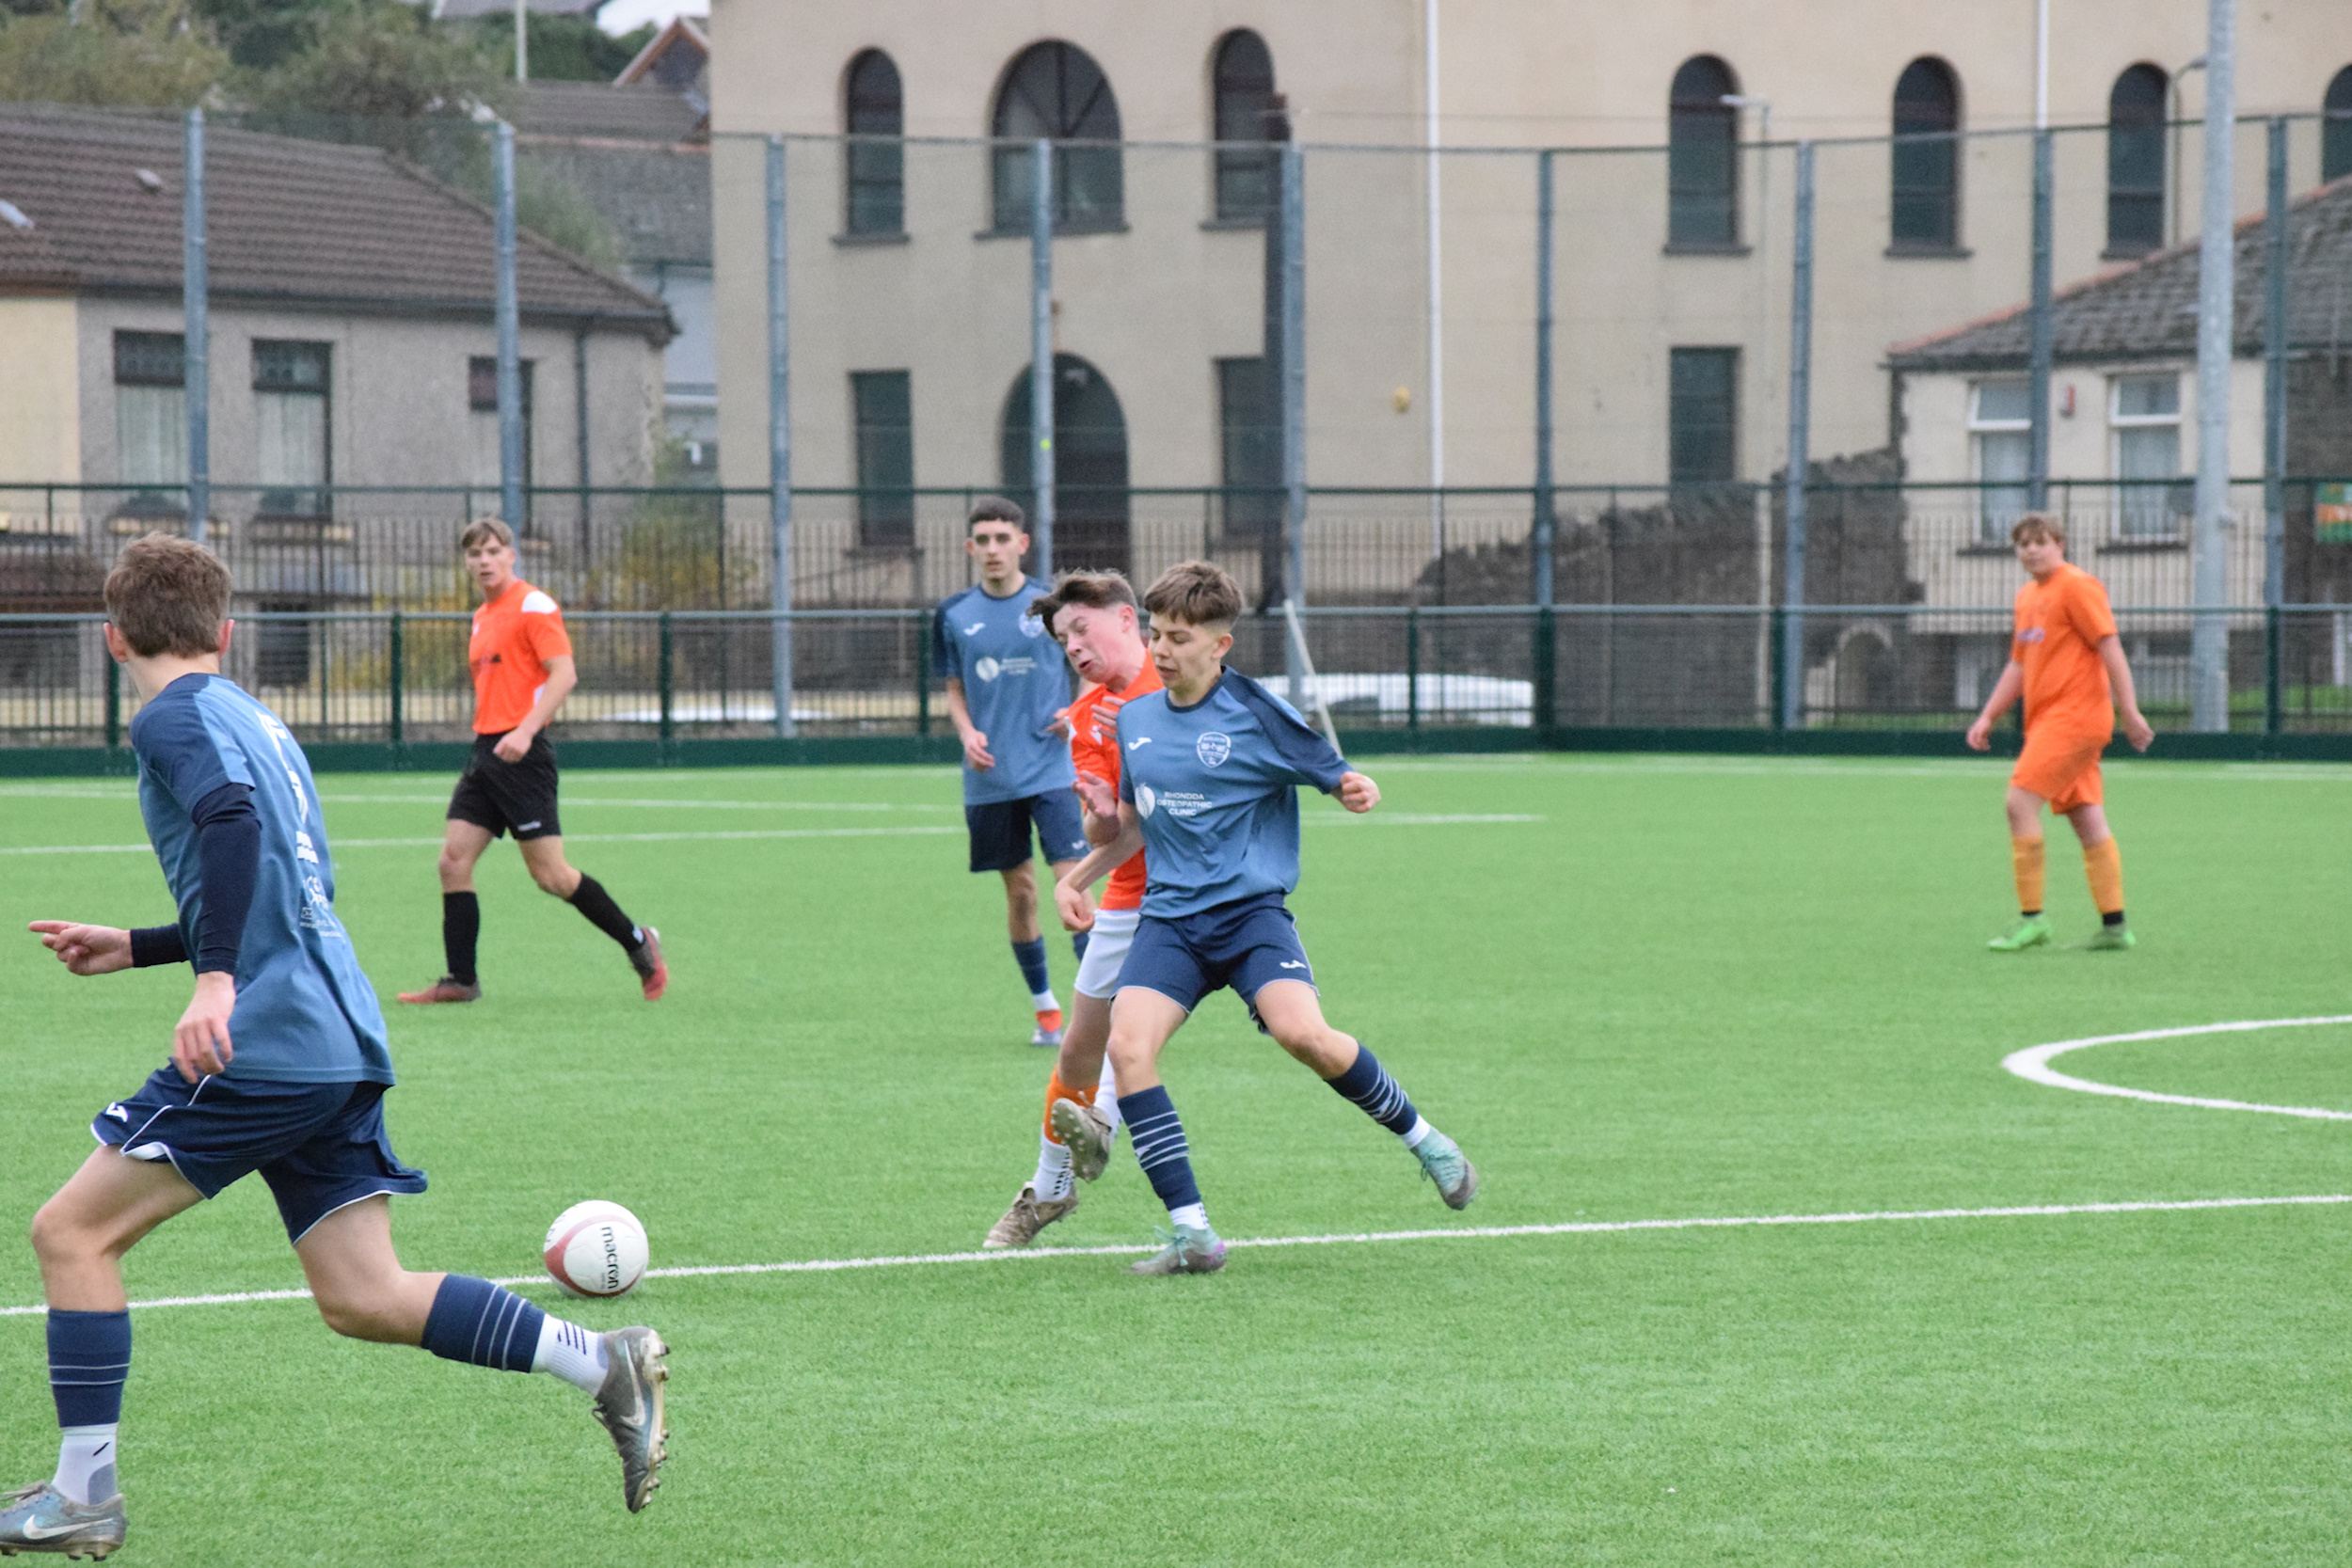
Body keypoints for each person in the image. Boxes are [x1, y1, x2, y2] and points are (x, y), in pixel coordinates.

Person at [8, 537, 668, 1560]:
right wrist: (142, 945)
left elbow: (227, 823)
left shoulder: (170, 716)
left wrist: (215, 978)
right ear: (225, 633)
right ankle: (601, 1361)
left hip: (266, 1042)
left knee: (71, 1235)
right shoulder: (259, 720)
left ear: (111, 639)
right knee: (363, 1295)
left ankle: (84, 1491)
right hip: (340, 1034)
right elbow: (298, 890)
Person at [1053, 561, 1478, 1276]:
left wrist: (1352, 786)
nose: (1160, 649)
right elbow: (1134, 823)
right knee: (1128, 1051)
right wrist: (1082, 872)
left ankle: (1426, 1138)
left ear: (1219, 645)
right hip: (1171, 921)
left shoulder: (1256, 712)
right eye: (1156, 633)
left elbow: (1330, 768)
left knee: (1303, 1034)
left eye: (1178, 637)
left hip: (1250, 915)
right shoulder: (1136, 719)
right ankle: (1194, 1236)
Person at [397, 517, 665, 1006]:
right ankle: (461, 981)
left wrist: (525, 730)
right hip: (487, 751)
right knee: (453, 861)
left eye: (492, 551)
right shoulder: (481, 616)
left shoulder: (534, 605)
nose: (483, 561)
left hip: (523, 753)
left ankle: (638, 942)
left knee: (552, 877)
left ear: (511, 555)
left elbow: (564, 675)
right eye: (474, 554)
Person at [983, 571, 1160, 1249]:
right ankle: (1051, 1186)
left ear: (1125, 619)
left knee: (1131, 1035)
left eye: (1081, 629)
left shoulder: (1180, 689)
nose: (1074, 648)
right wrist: (1098, 808)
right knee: (1082, 1046)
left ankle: (1107, 1127)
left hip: (1202, 895)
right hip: (1128, 891)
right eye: (1063, 640)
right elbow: (1108, 829)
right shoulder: (1087, 718)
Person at [935, 498, 1089, 1047]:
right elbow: (954, 686)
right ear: (970, 548)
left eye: (1003, 538)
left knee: (1073, 885)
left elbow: (1091, 665)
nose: (993, 548)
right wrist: (966, 732)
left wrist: (1076, 712)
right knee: (1021, 893)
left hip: (1054, 769)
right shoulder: (954, 614)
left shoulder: (1053, 606)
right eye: (983, 539)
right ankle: (1046, 1009)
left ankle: (1097, 1012)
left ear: (1023, 543)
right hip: (991, 777)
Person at [1966, 512, 2154, 951]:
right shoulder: (2028, 596)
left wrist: (2129, 710)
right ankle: (2115, 927)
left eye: (2041, 542)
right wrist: (1988, 715)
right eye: (2023, 544)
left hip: (2075, 719)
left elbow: (2110, 645)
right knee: (2085, 815)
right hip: (2048, 721)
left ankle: (2033, 919)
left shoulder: (2077, 586)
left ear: (2061, 545)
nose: (2031, 550)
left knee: (2018, 802)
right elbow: (2018, 663)